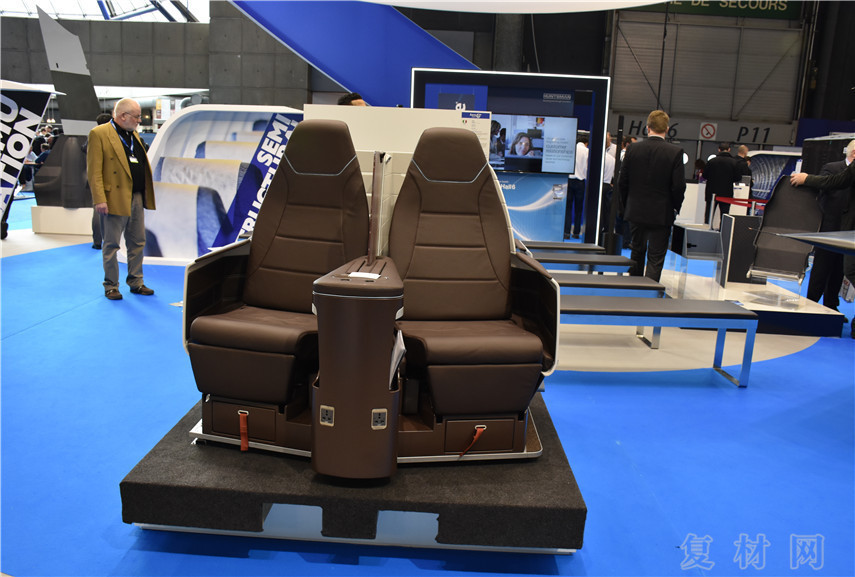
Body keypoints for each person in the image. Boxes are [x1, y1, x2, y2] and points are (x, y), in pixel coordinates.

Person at [87, 98, 156, 301]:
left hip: (136, 196)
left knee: (137, 242)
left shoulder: (133, 134)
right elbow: (94, 171)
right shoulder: (99, 134)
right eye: (136, 116)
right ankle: (111, 285)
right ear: (123, 116)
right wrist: (100, 199)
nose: (139, 120)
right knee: (111, 244)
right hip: (113, 198)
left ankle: (136, 282)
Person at [791, 140, 855, 336]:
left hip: (848, 230)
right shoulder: (832, 167)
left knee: (845, 270)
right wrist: (807, 179)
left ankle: (830, 306)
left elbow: (837, 182)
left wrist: (807, 178)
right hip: (832, 228)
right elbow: (831, 184)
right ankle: (811, 304)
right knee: (825, 269)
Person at [616, 109, 685, 282]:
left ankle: (635, 288)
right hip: (662, 213)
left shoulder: (633, 149)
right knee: (656, 256)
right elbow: (678, 186)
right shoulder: (675, 152)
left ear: (647, 128)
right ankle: (650, 292)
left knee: (637, 251)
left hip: (636, 210)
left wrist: (626, 206)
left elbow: (622, 182)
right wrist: (675, 207)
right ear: (667, 129)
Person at [703, 142, 738, 227]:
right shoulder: (734, 162)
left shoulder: (711, 161)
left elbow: (704, 175)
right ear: (729, 150)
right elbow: (737, 177)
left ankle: (707, 229)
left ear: (719, 149)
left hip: (712, 192)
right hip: (726, 192)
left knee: (709, 214)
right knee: (724, 215)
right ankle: (722, 231)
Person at [564, 133, 589, 239]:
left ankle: (566, 232)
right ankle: (576, 233)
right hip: (580, 182)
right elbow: (587, 168)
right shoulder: (587, 151)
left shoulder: (571, 149)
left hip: (569, 180)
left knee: (568, 208)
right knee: (579, 209)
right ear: (586, 143)